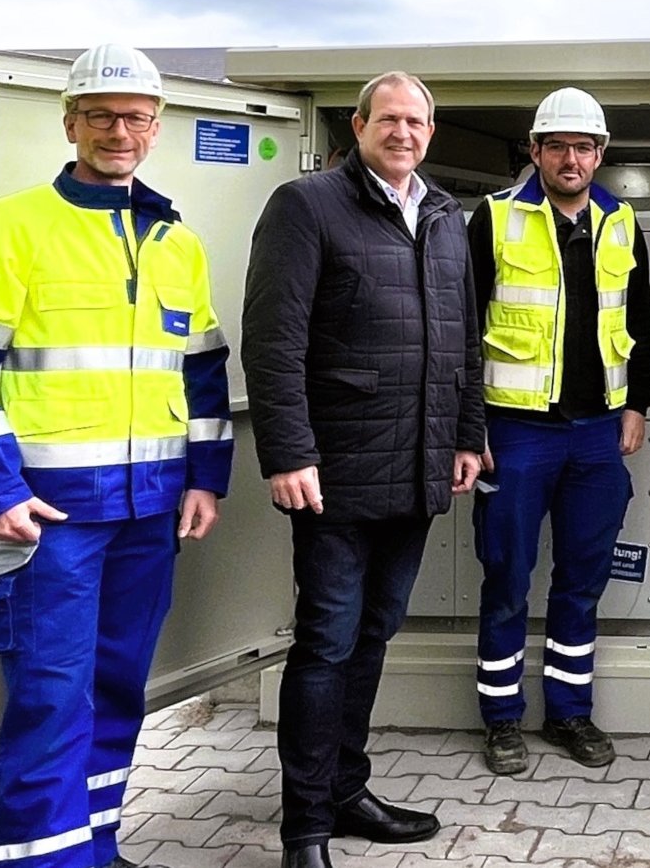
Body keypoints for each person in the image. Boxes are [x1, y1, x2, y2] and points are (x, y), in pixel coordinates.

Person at [0, 43, 233, 868]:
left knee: (118, 688)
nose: (118, 132)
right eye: (100, 116)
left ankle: (95, 845)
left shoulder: (177, 243)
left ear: (156, 128)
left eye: (134, 117)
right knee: (51, 697)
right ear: (70, 124)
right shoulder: (11, 227)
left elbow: (203, 370)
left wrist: (205, 478)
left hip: (150, 509)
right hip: (52, 514)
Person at [241, 70, 486, 868]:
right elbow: (273, 342)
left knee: (374, 635)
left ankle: (347, 791)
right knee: (327, 643)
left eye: (416, 121)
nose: (403, 132)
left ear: (430, 131)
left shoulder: (444, 215)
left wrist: (466, 436)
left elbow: (463, 340)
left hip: (416, 470)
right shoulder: (307, 206)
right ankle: (305, 828)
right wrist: (288, 452)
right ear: (358, 125)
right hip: (335, 474)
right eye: (389, 119)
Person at [465, 87, 650, 775]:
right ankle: (501, 720)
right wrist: (469, 427)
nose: (570, 159)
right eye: (557, 147)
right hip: (516, 431)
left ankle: (569, 712)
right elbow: (462, 325)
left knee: (582, 580)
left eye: (582, 147)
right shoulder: (493, 217)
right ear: (535, 151)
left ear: (599, 154)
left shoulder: (620, 220)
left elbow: (639, 316)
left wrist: (637, 404)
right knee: (507, 578)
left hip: (597, 431)